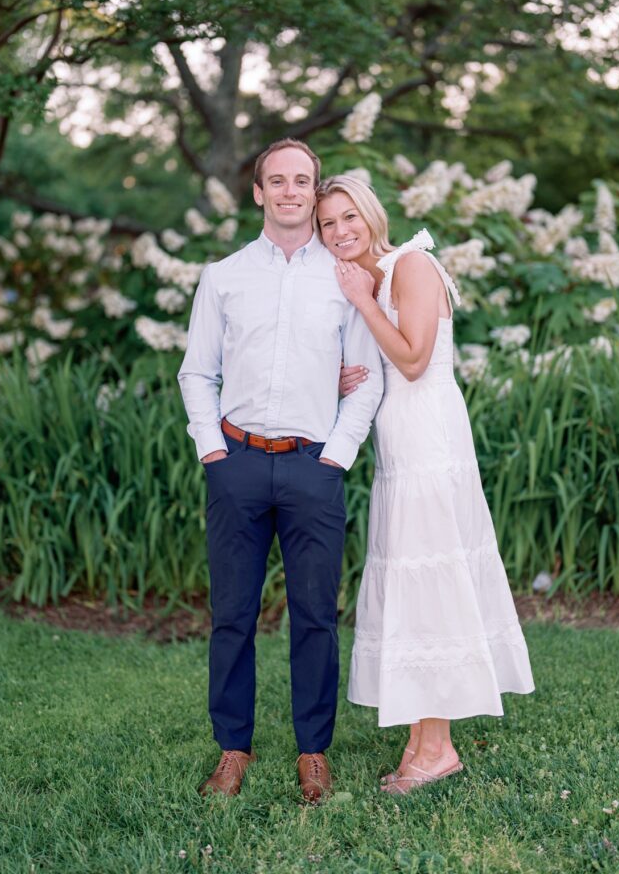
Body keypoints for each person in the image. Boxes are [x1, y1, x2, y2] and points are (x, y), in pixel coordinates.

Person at [315, 174, 535, 795]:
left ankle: (437, 749)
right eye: (328, 223)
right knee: (411, 580)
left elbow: (412, 360)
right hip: (400, 445)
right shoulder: (371, 278)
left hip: (430, 442)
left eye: (349, 217)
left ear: (371, 214)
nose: (340, 232)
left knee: (431, 581)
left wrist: (362, 301)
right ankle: (422, 739)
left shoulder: (410, 265)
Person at [178, 141, 383, 803]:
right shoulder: (224, 276)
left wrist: (335, 457)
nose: (291, 190)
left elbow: (366, 378)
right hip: (236, 464)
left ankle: (312, 753)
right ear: (259, 192)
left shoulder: (346, 278)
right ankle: (233, 748)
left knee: (316, 618)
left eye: (302, 181)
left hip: (311, 468)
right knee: (232, 616)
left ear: (313, 190)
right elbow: (195, 371)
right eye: (277, 180)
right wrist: (213, 450)